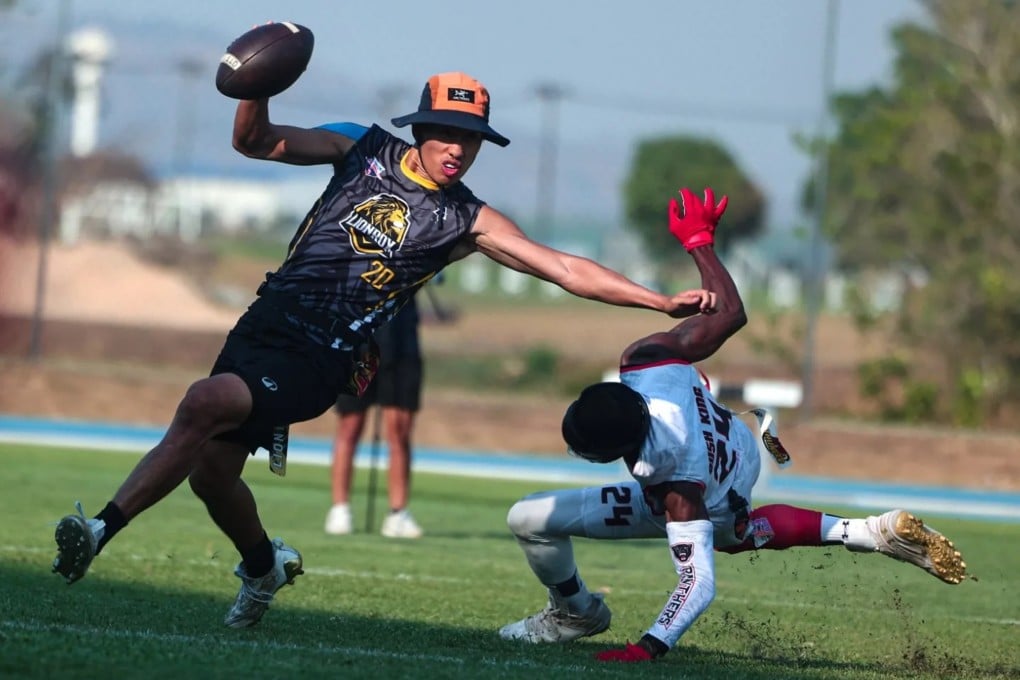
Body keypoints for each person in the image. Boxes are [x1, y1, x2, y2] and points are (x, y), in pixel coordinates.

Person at [49, 68, 717, 629]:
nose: (460, 148)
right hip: (264, 324)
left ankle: (101, 530)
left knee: (203, 403)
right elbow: (257, 141)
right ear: (421, 129)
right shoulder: (358, 147)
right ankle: (263, 567)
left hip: (324, 357)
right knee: (212, 475)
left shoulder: (466, 220)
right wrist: (255, 83)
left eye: (475, 139)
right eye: (450, 133)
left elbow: (564, 268)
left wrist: (657, 301)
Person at [497, 187, 968, 663]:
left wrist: (649, 648)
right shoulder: (645, 362)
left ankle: (576, 614)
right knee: (729, 521)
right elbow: (730, 313)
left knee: (536, 519)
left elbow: (698, 585)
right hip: (732, 446)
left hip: (712, 485)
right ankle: (864, 531)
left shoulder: (673, 486)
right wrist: (700, 243)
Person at [325, 296, 424, 539]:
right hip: (358, 338)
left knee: (399, 430)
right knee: (350, 425)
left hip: (401, 342)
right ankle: (340, 509)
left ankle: (397, 514)